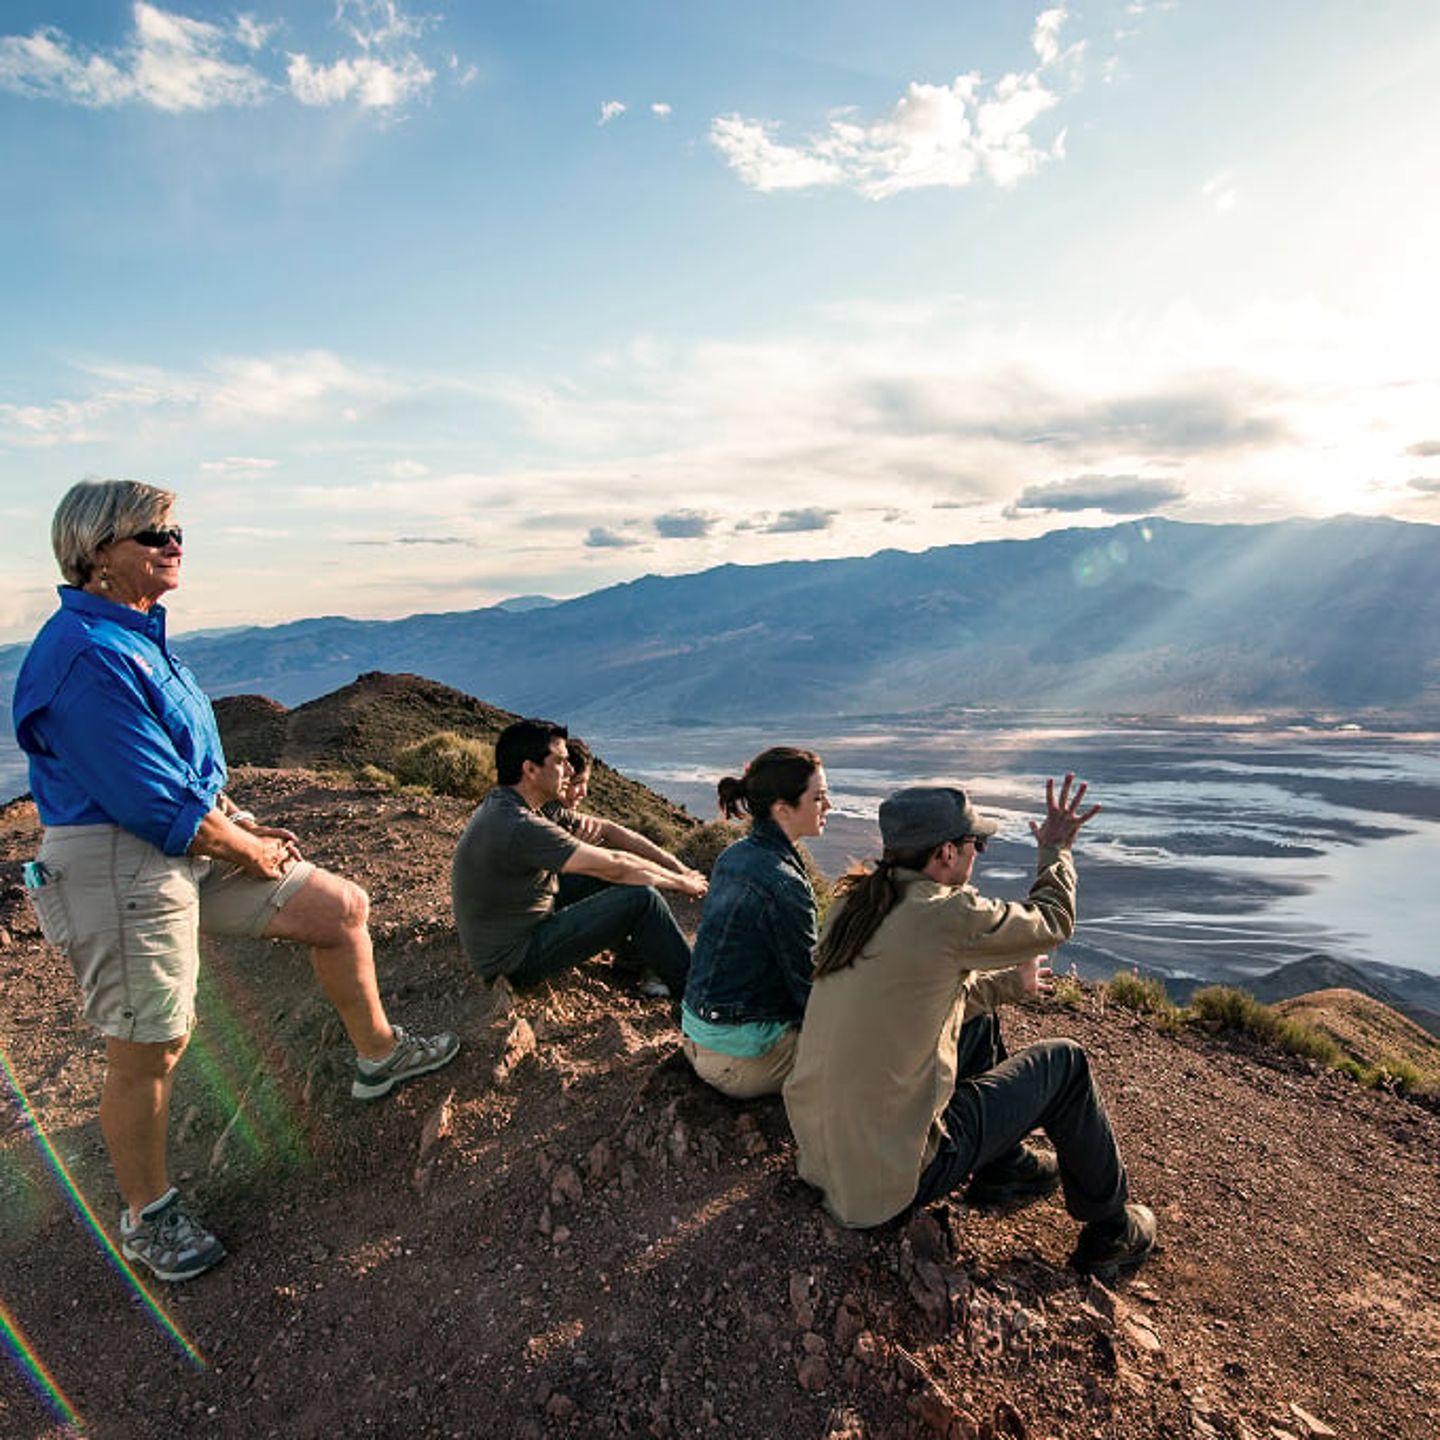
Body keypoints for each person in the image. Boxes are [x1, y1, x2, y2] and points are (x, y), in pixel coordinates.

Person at [13, 479, 460, 1283]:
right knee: (151, 1041)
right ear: (97, 553)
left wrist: (237, 820)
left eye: (175, 529)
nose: (173, 542)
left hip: (187, 841)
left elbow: (180, 774)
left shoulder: (136, 636)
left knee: (339, 907)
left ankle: (379, 1057)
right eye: (153, 533)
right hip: (119, 862)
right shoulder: (83, 655)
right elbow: (146, 797)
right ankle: (148, 1219)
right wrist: (242, 850)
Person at [783, 776, 1156, 1280]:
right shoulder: (945, 914)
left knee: (976, 1024)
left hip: (825, 1163)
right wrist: (1054, 851)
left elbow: (924, 1000)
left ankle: (1003, 1168)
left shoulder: (856, 904)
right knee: (1064, 1063)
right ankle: (1111, 1231)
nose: (978, 853)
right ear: (944, 855)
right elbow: (1052, 921)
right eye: (975, 844)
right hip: (891, 1184)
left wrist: (1004, 986)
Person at [451, 719, 707, 992]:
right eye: (561, 762)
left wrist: (677, 869)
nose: (570, 769)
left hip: (507, 938)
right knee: (642, 899)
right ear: (530, 769)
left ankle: (636, 960)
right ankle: (698, 993)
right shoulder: (521, 825)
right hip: (514, 962)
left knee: (605, 879)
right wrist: (682, 883)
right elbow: (618, 865)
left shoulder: (506, 803)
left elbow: (609, 835)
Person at [681, 747, 830, 1098]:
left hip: (698, 1037)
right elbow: (807, 990)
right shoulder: (783, 883)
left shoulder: (733, 854)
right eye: (819, 797)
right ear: (782, 809)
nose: (829, 807)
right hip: (742, 1063)